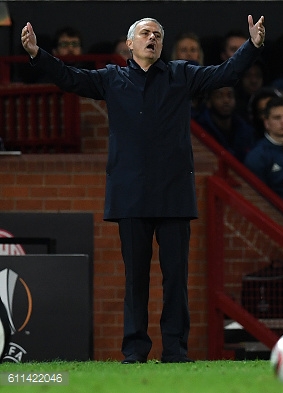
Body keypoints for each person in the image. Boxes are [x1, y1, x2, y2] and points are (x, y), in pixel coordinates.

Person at [21, 15, 266, 364]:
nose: (152, 38)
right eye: (145, 33)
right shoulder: (111, 79)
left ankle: (176, 352)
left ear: (161, 46)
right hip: (130, 195)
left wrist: (252, 45)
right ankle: (134, 351)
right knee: (135, 280)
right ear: (130, 44)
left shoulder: (182, 74)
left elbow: (225, 73)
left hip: (174, 195)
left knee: (176, 281)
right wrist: (36, 54)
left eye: (157, 35)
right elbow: (69, 79)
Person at [193, 86, 255, 163]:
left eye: (230, 95)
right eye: (219, 96)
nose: (226, 101)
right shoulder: (199, 129)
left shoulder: (245, 129)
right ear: (209, 102)